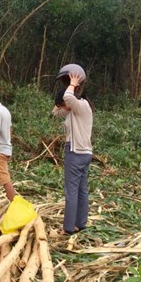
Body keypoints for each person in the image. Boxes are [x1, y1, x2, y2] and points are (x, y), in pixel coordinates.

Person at [51, 64, 93, 235]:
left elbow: (68, 97)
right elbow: (55, 112)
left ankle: (69, 228)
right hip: (84, 154)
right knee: (82, 190)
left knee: (72, 192)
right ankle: (80, 224)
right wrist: (62, 104)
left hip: (75, 153)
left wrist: (73, 83)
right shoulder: (74, 109)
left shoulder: (81, 105)